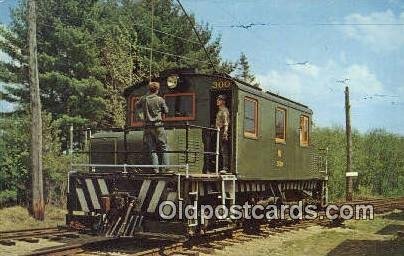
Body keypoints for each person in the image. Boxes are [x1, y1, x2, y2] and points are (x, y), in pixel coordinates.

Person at [136, 82, 169, 173]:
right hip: (158, 126)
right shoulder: (160, 99)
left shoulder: (144, 99)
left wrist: (141, 116)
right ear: (157, 90)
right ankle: (165, 168)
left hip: (148, 126)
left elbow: (137, 105)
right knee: (164, 146)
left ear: (149, 90)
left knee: (152, 149)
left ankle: (155, 169)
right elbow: (166, 111)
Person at [215, 95, 230, 173]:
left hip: (222, 130)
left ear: (223, 102)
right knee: (220, 150)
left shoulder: (224, 111)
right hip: (218, 131)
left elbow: (226, 123)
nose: (217, 101)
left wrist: (225, 132)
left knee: (224, 150)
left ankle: (225, 167)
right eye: (218, 99)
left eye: (220, 100)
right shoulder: (220, 111)